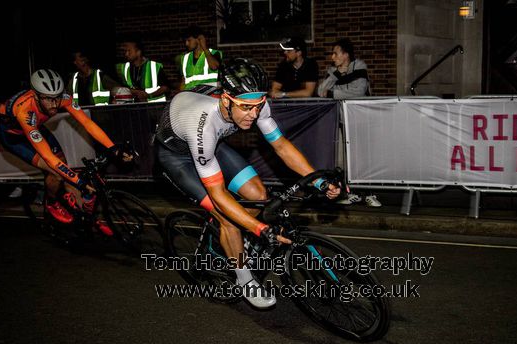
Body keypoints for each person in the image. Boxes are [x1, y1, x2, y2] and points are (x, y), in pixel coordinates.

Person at [155, 58, 340, 309]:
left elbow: (281, 146)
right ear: (225, 100)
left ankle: (229, 238)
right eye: (245, 107)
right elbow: (218, 193)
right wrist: (260, 229)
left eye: (258, 106)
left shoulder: (253, 102)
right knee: (229, 218)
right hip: (177, 157)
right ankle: (244, 280)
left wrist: (318, 180)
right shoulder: (204, 125)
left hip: (212, 147)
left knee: (258, 193)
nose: (254, 114)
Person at [0, 69, 131, 232]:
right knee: (56, 172)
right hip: (14, 137)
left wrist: (113, 148)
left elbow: (87, 124)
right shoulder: (25, 111)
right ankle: (51, 203)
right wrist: (78, 182)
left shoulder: (63, 99)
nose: (54, 105)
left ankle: (83, 212)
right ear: (36, 96)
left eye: (57, 98)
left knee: (64, 166)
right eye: (48, 99)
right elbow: (48, 158)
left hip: (36, 126)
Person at [318, 38, 381, 207]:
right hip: (341, 120)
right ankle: (351, 192)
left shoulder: (359, 67)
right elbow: (320, 91)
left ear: (346, 55)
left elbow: (358, 90)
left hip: (360, 119)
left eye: (335, 53)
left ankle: (369, 193)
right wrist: (335, 76)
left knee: (363, 158)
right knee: (344, 160)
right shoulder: (333, 71)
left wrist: (333, 93)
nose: (332, 57)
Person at [116, 38, 169, 103]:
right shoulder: (124, 68)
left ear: (138, 52)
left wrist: (148, 96)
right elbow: (121, 88)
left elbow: (165, 88)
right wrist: (137, 92)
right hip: (133, 108)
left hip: (154, 107)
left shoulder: (155, 66)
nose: (126, 54)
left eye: (129, 51)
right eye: (125, 51)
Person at [176, 26, 222, 91]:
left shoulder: (214, 53)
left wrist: (204, 47)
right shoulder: (184, 58)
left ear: (198, 39)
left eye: (189, 40)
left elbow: (214, 67)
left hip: (209, 97)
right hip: (191, 97)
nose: (186, 43)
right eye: (185, 41)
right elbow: (183, 81)